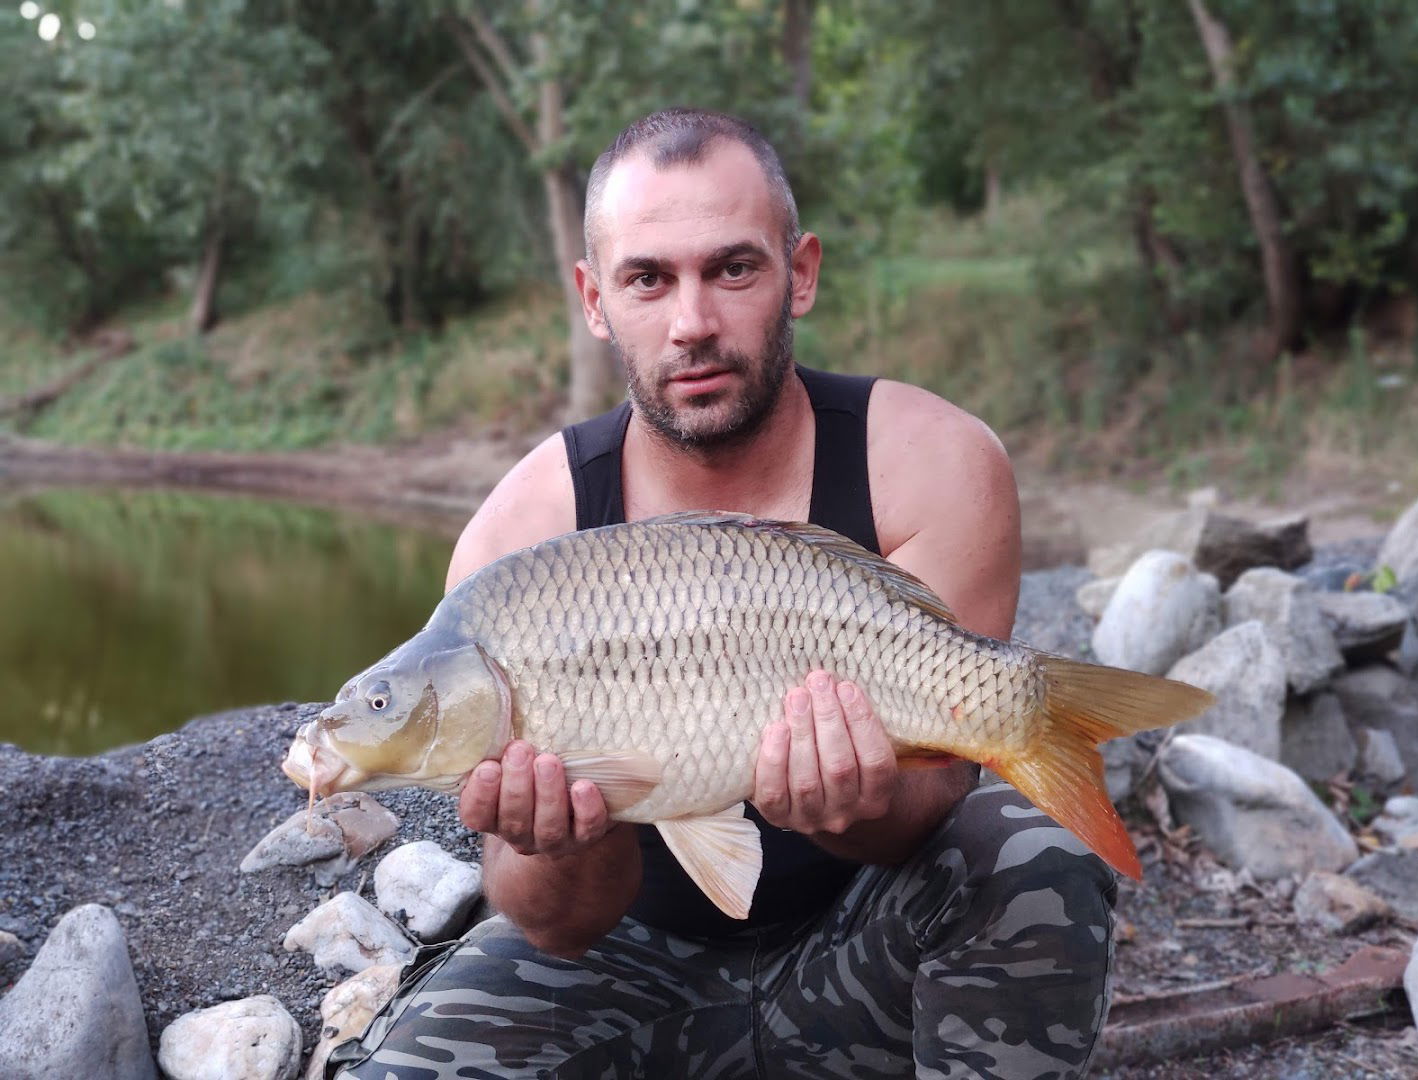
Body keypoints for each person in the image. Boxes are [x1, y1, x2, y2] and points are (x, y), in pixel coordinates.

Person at [329, 108, 1115, 1080]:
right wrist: (565, 837)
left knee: (1031, 847)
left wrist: (852, 806)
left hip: (863, 951)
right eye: (648, 278)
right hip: (623, 976)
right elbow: (551, 921)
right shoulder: (515, 541)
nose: (692, 321)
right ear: (593, 298)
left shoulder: (935, 463)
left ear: (803, 271)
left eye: (733, 268)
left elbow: (936, 799)